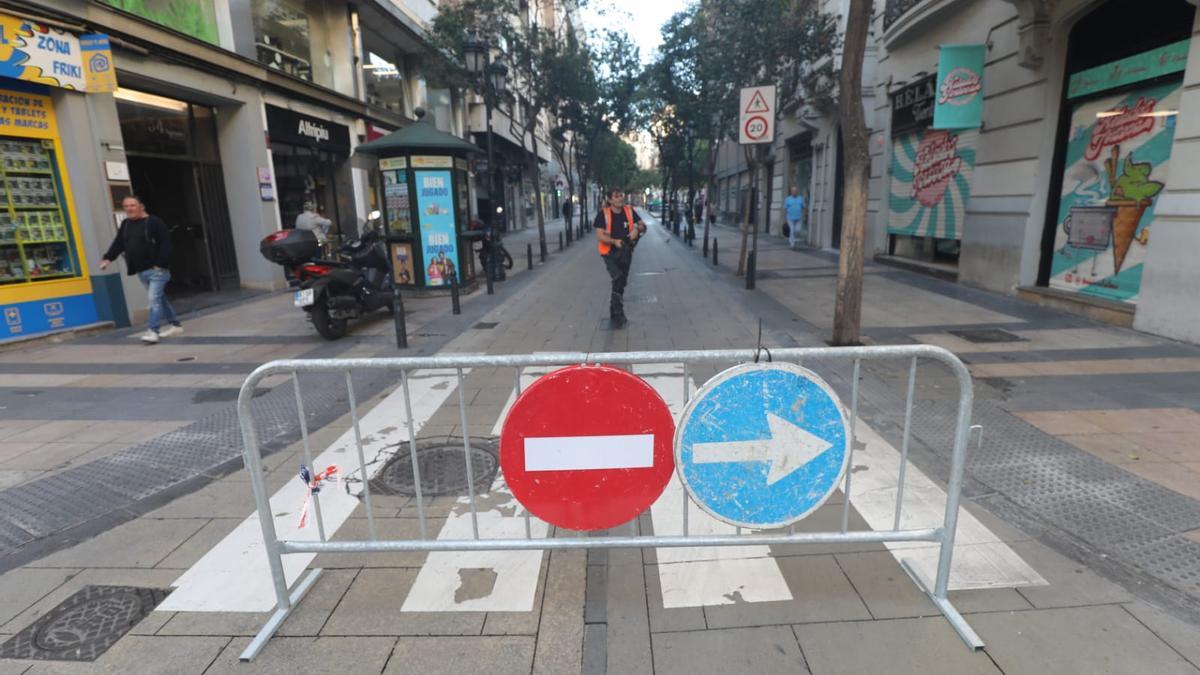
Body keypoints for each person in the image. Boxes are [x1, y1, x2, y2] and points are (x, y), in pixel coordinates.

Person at [100, 195, 182, 344]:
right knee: (159, 298)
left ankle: (153, 331)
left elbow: (166, 244)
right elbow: (118, 243)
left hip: (157, 270)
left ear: (141, 206)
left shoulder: (154, 222)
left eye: (132, 205)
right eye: (126, 206)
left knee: (153, 300)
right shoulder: (125, 224)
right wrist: (108, 258)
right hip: (140, 270)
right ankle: (175, 325)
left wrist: (160, 263)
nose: (129, 209)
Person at [593, 189, 645, 328]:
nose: (620, 198)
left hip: (626, 251)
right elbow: (599, 235)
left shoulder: (629, 210)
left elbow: (642, 225)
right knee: (617, 277)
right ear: (610, 200)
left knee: (621, 282)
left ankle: (613, 309)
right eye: (616, 196)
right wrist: (614, 241)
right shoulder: (603, 214)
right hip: (609, 252)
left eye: (621, 195)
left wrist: (637, 230)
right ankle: (618, 311)